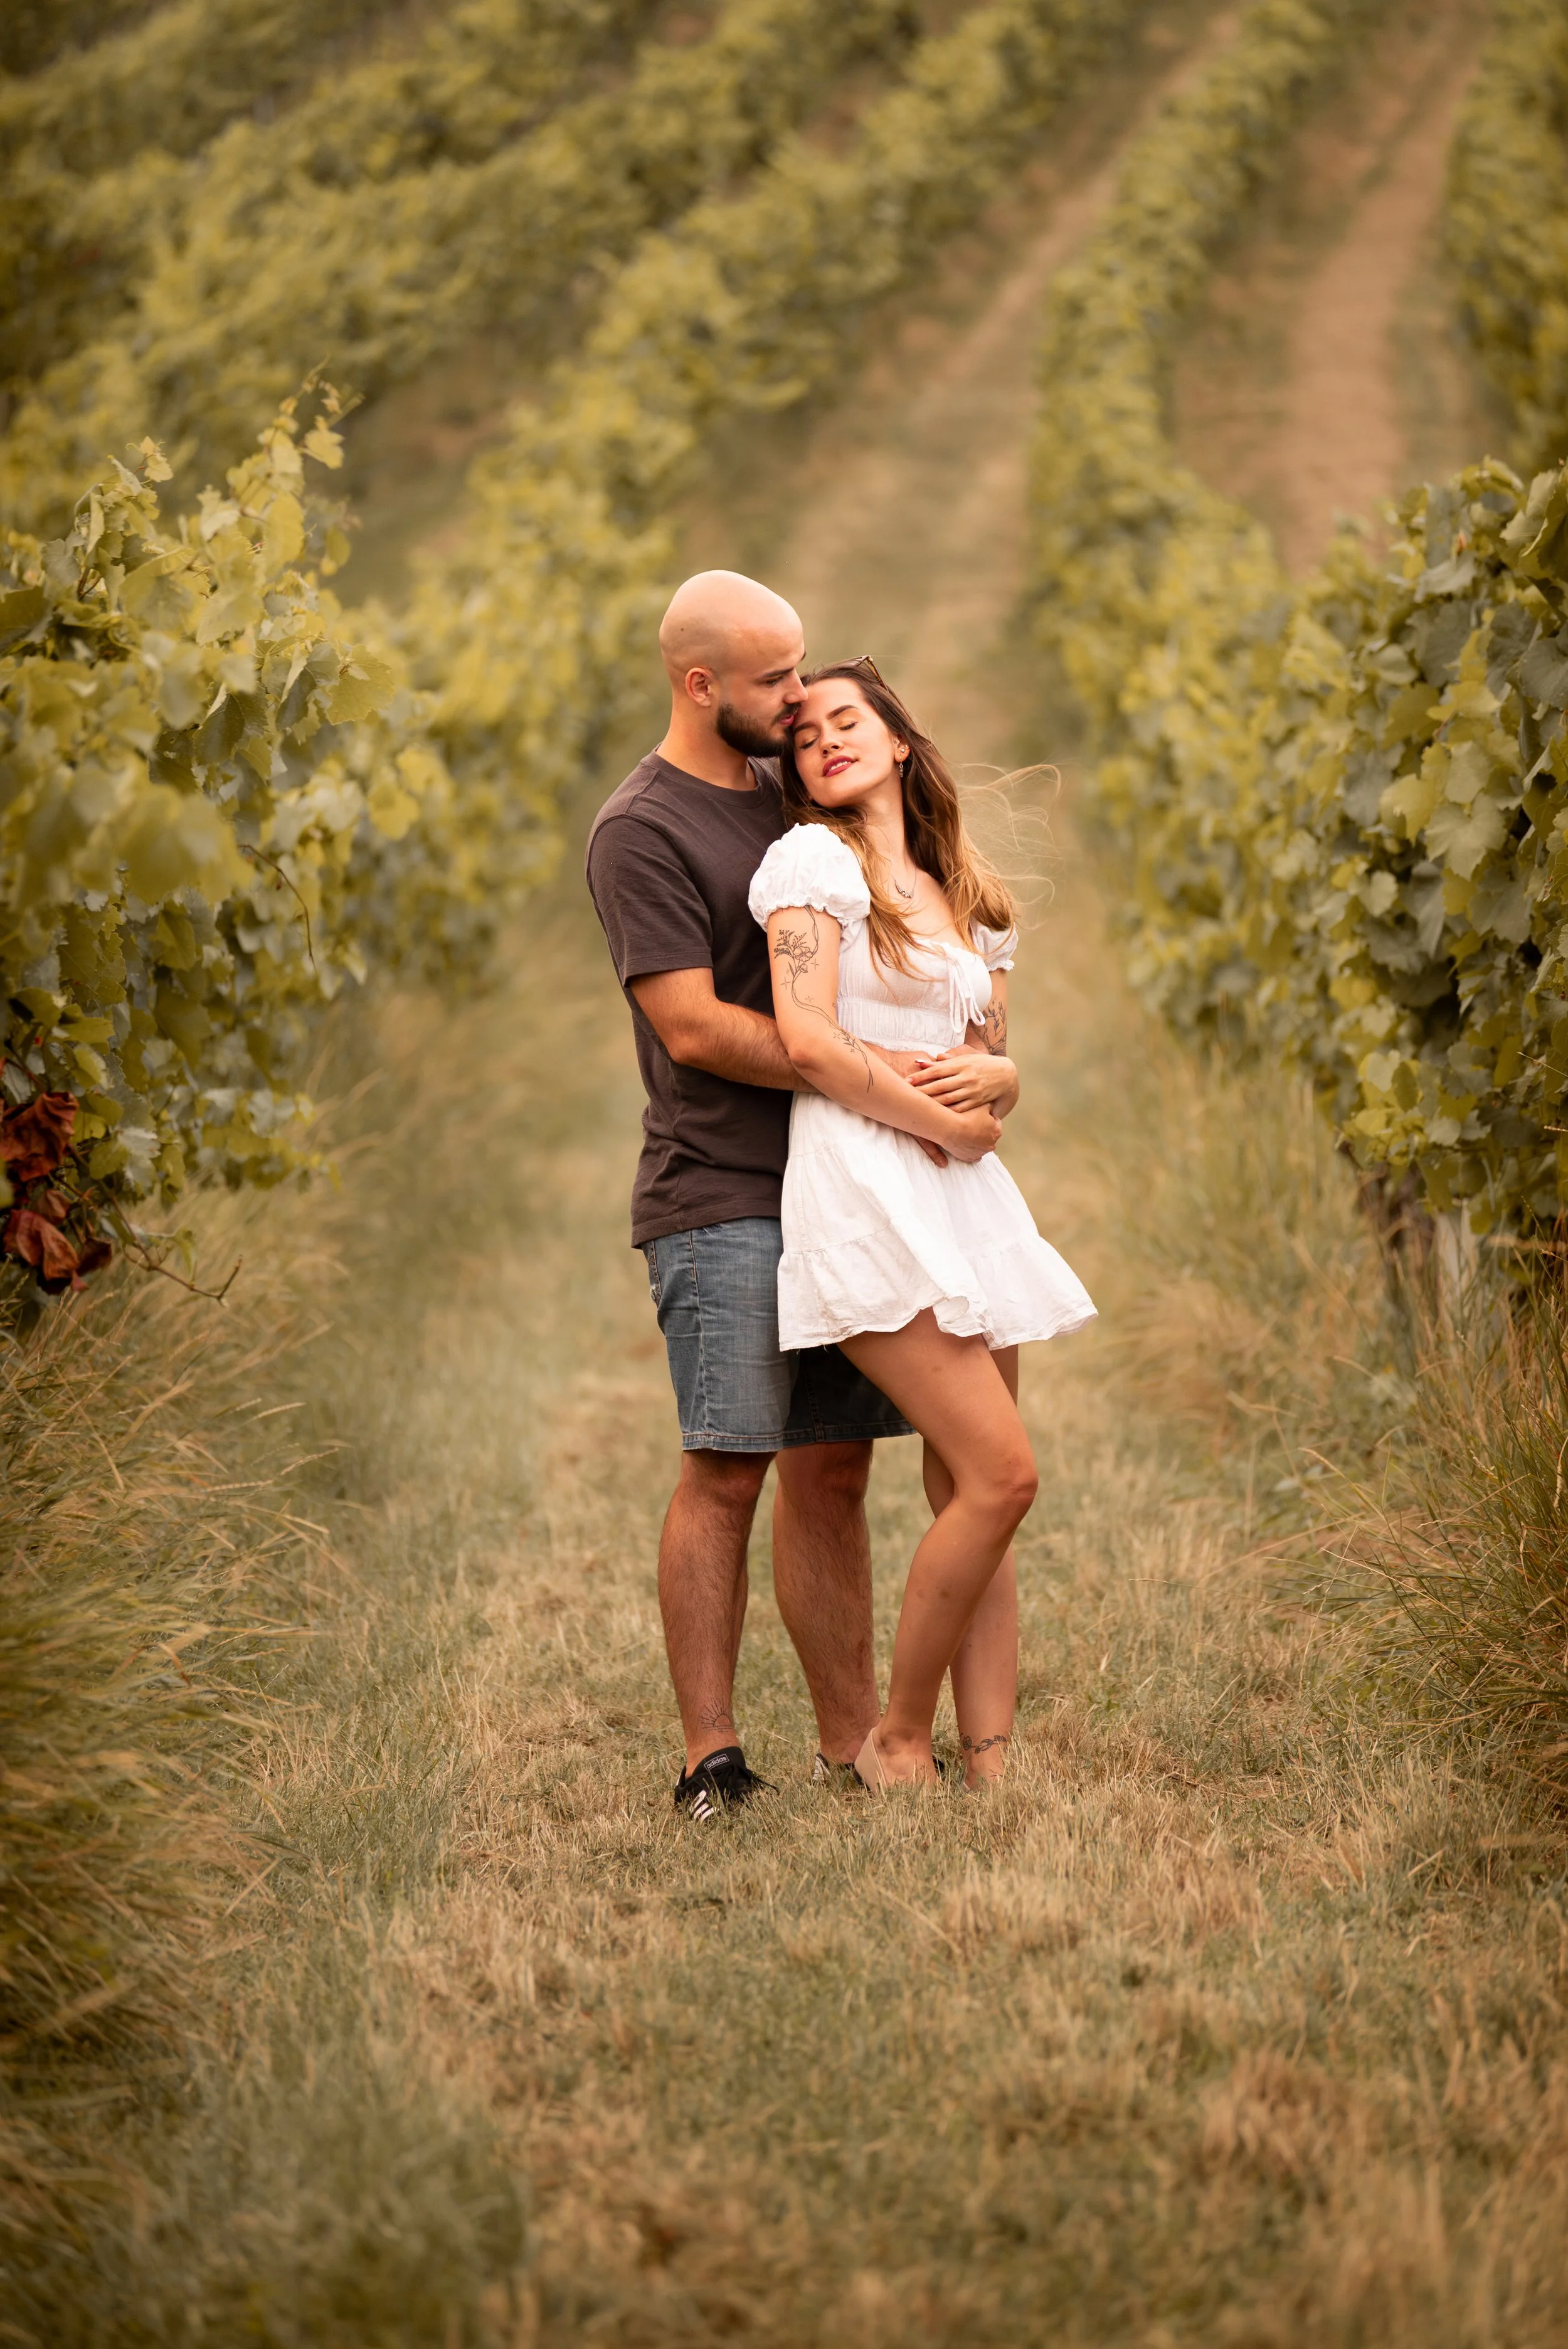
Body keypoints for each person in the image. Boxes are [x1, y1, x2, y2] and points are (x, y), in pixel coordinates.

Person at [585, 573, 1004, 1821]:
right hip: (721, 1186)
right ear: (698, 682)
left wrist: (978, 1063)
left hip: (850, 1183)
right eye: (773, 678)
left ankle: (849, 1742)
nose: (797, 695)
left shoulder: (794, 788)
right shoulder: (640, 831)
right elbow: (695, 1026)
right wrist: (874, 1071)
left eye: (801, 667)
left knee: (834, 1468)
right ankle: (709, 1757)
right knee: (728, 1466)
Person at [749, 659, 1096, 1793]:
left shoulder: (966, 895)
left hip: (965, 1200)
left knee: (970, 1493)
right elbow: (808, 1040)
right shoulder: (812, 864)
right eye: (804, 736)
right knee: (1004, 1475)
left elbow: (991, 1064)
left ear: (900, 740)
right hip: (866, 1186)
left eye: (847, 720)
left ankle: (989, 1761)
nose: (825, 741)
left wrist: (1002, 1089)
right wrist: (947, 1123)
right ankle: (898, 1738)